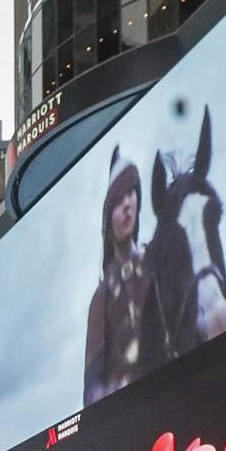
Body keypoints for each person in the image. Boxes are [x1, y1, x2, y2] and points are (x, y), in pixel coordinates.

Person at [83, 151, 154, 404]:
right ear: (108, 217)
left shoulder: (155, 263)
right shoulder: (100, 298)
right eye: (118, 199)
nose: (127, 203)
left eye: (131, 193)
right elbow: (91, 389)